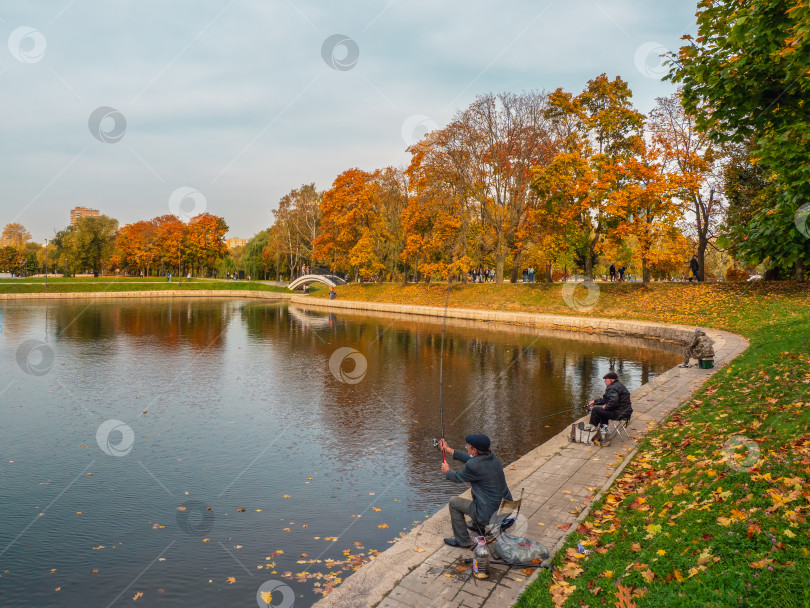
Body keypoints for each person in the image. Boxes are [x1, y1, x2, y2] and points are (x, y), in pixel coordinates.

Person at [439, 434, 512, 548]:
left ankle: (463, 541)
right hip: (507, 507)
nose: (466, 447)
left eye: (468, 446)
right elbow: (471, 460)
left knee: (454, 502)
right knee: (478, 491)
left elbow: (458, 477)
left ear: (475, 450)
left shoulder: (474, 466)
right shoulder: (492, 457)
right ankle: (477, 525)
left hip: (490, 513)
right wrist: (448, 450)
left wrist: (447, 471)